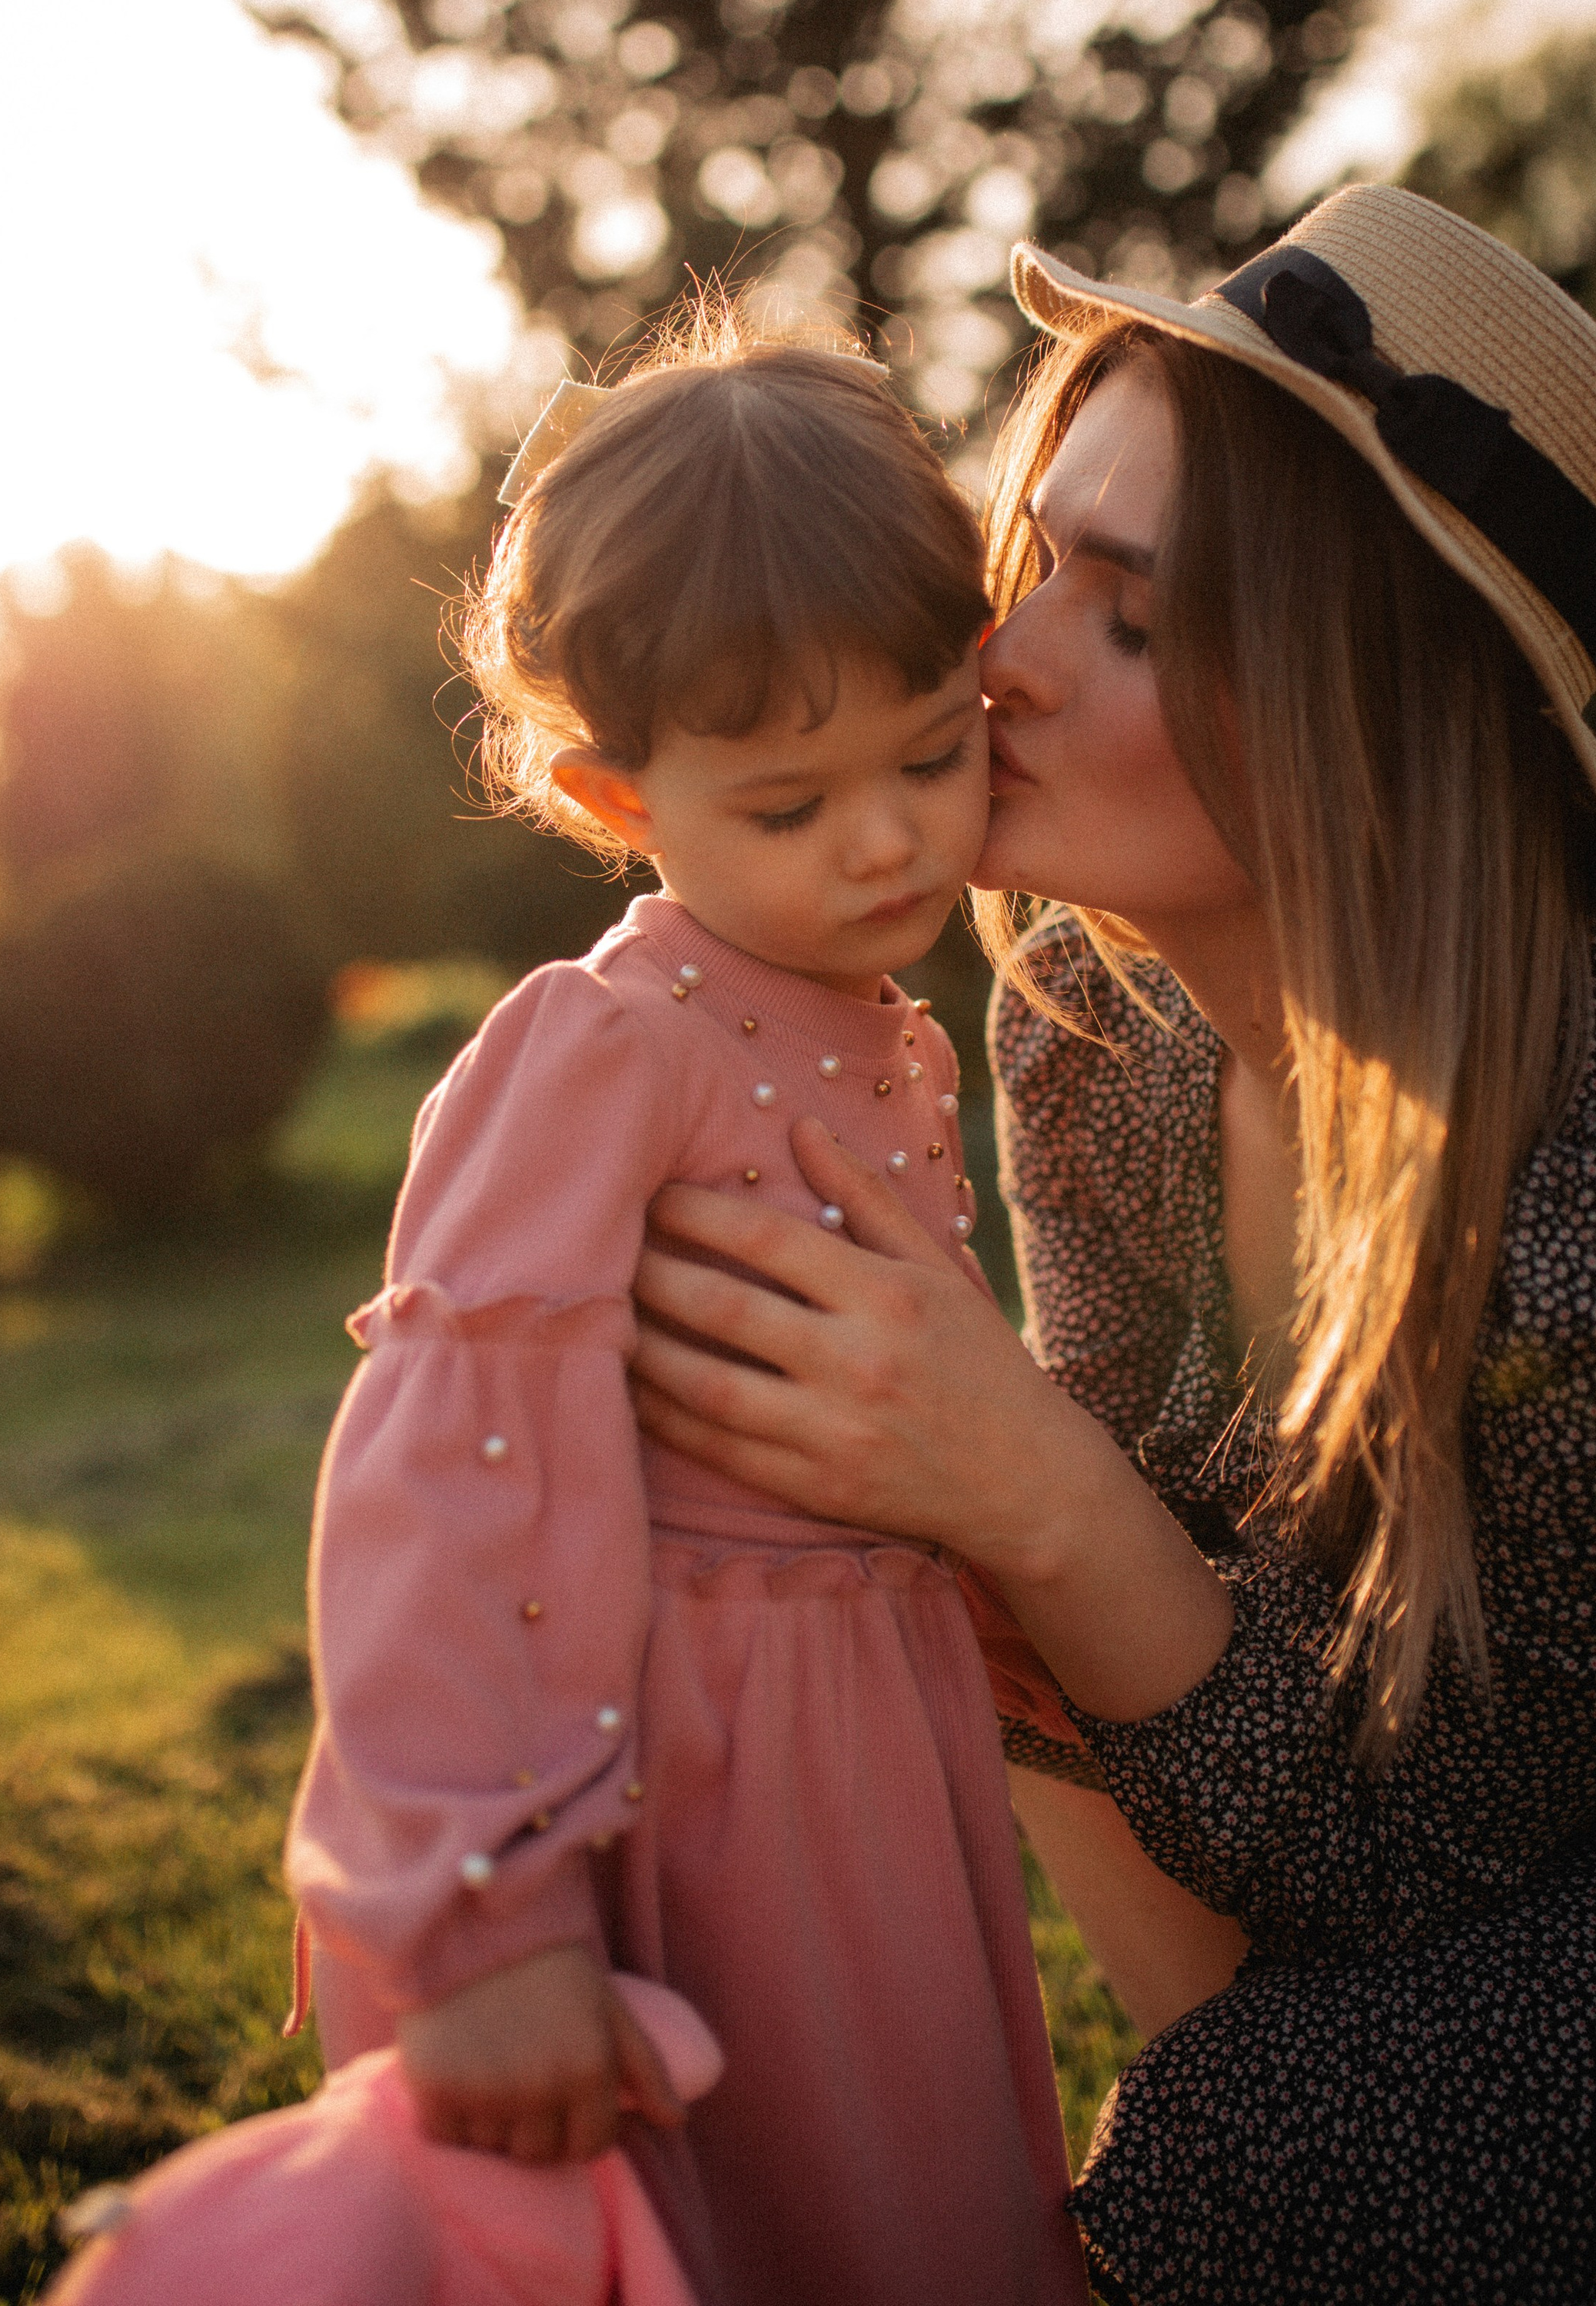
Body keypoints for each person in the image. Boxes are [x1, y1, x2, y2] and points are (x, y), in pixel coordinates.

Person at [629, 185, 1596, 2304]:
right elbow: (1139, 1707)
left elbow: (1435, 1854)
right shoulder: (1092, 1023)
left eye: (1140, 623)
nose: (1005, 658)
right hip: (1349, 1887)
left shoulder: (1581, 1184)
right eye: (1043, 559)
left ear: (1385, 715)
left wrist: (1036, 1490)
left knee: (1261, 2142)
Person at [285, 317, 1091, 2306]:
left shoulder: (892, 1030)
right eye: (791, 805)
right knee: (782, 2215)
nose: (890, 839)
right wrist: (488, 1917)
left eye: (934, 753)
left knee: (930, 2189)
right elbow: (450, 1470)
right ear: (618, 796)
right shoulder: (604, 1050)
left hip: (878, 1730)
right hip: (701, 1773)